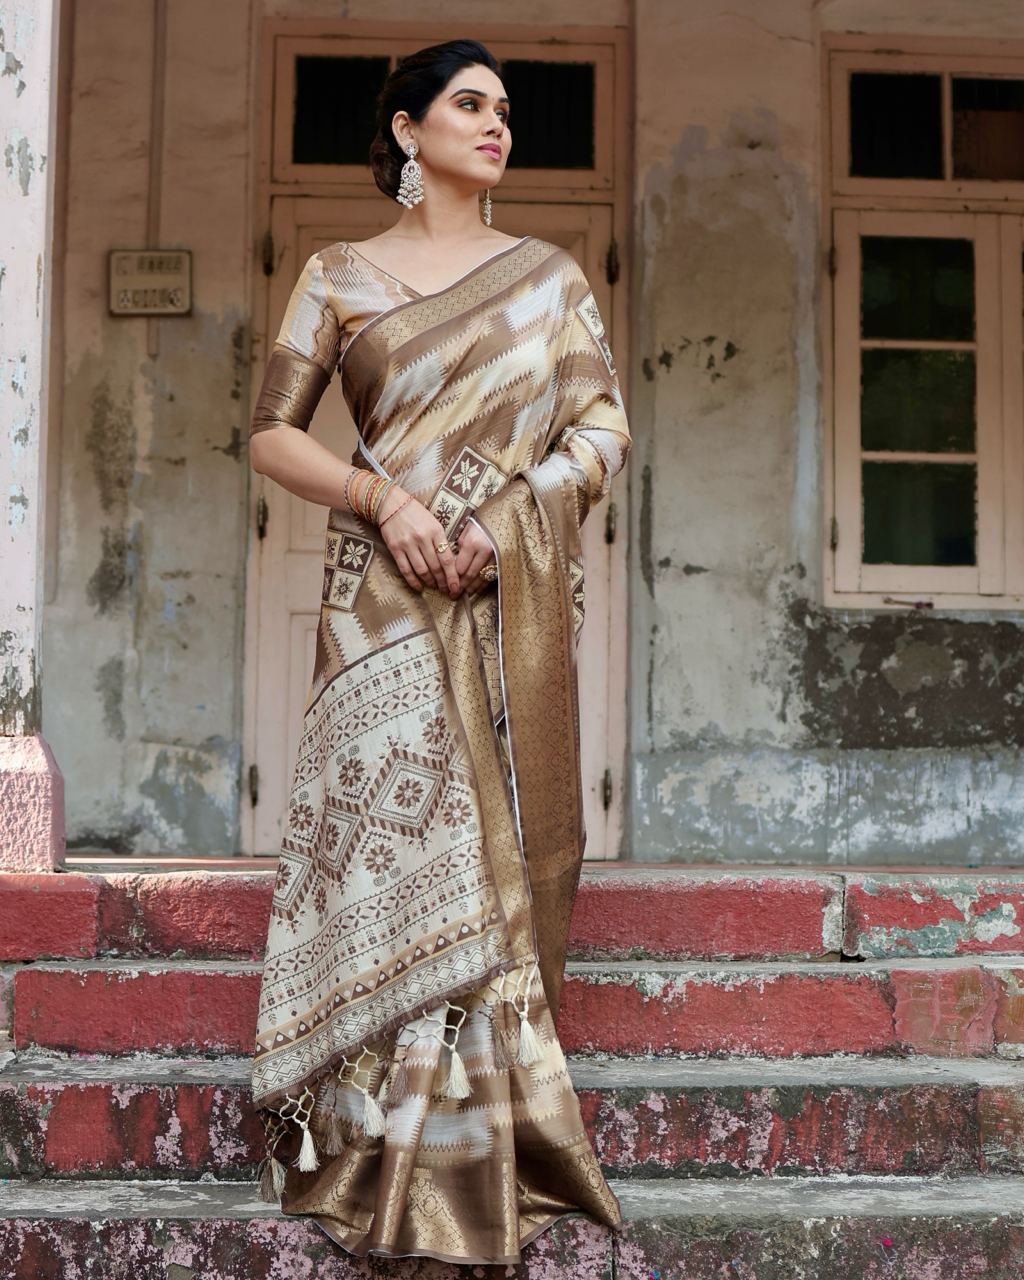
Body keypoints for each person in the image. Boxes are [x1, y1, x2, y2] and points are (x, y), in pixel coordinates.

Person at [248, 37, 632, 1266]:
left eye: (504, 108)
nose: (496, 122)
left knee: (487, 855)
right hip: (377, 607)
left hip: (502, 597)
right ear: (408, 130)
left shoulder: (549, 279)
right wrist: (384, 499)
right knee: (390, 852)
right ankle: (366, 1133)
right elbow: (269, 434)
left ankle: (479, 1146)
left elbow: (601, 428)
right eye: (469, 104)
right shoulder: (338, 274)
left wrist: (500, 521)